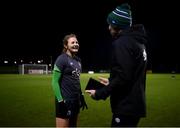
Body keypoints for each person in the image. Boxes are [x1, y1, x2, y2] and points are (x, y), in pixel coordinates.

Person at [85, 3, 147, 127]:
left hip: (125, 106)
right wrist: (110, 80)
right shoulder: (138, 42)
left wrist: (99, 93)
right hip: (135, 105)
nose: (108, 28)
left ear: (117, 25)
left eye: (110, 24)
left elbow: (123, 77)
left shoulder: (122, 43)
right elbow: (129, 74)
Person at [51, 33, 88, 127]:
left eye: (77, 42)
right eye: (72, 42)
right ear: (65, 45)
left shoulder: (78, 61)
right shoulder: (61, 59)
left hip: (75, 100)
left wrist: (81, 95)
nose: (76, 44)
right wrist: (60, 101)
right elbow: (54, 82)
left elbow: (77, 80)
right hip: (65, 101)